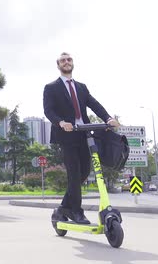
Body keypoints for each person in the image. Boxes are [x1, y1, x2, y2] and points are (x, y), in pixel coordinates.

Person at [43, 52, 120, 224]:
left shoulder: (81, 87)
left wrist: (108, 119)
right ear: (58, 65)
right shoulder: (51, 87)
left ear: (72, 63)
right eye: (63, 60)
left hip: (84, 134)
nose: (66, 62)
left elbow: (94, 104)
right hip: (66, 135)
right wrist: (61, 122)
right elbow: (48, 111)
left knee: (84, 172)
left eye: (69, 59)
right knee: (74, 173)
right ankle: (76, 212)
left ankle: (63, 209)